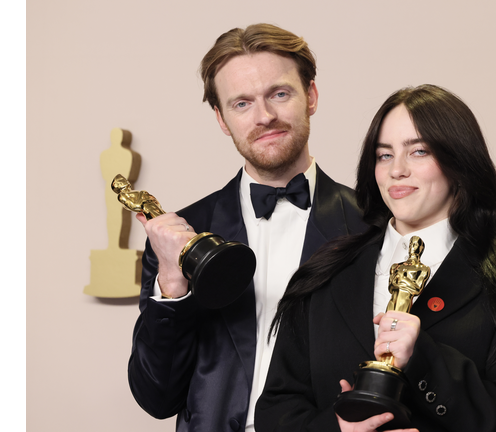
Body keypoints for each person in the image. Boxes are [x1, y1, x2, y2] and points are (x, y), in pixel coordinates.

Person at [256, 85, 496, 432]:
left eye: (419, 152)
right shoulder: (324, 273)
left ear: (459, 162)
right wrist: (336, 429)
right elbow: (275, 410)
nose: (397, 170)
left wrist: (424, 359)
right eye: (384, 155)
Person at [126, 24, 367, 432]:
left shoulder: (373, 225)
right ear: (221, 118)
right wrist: (172, 284)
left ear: (311, 96)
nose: (264, 116)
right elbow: (156, 397)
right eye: (241, 103)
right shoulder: (181, 234)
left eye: (279, 93)